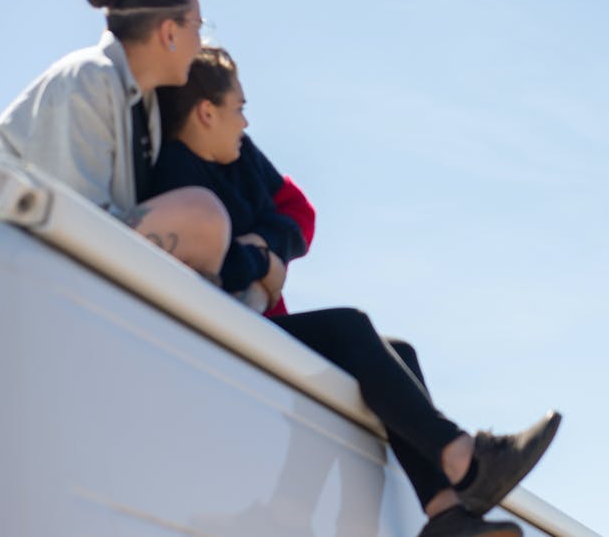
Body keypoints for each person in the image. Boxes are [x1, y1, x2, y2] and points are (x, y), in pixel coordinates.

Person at [153, 47, 561, 537]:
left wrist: (262, 246)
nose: (245, 122)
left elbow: (296, 215)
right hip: (223, 326)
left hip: (258, 319)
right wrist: (262, 261)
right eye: (239, 109)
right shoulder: (174, 172)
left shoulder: (239, 158)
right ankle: (462, 457)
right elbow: (212, 265)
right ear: (206, 112)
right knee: (348, 327)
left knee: (399, 353)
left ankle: (447, 514)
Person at [0, 0, 229, 283]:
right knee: (202, 217)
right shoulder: (88, 77)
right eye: (197, 26)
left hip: (83, 274)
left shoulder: (142, 102)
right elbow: (72, 224)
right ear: (169, 32)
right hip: (40, 275)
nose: (200, 43)